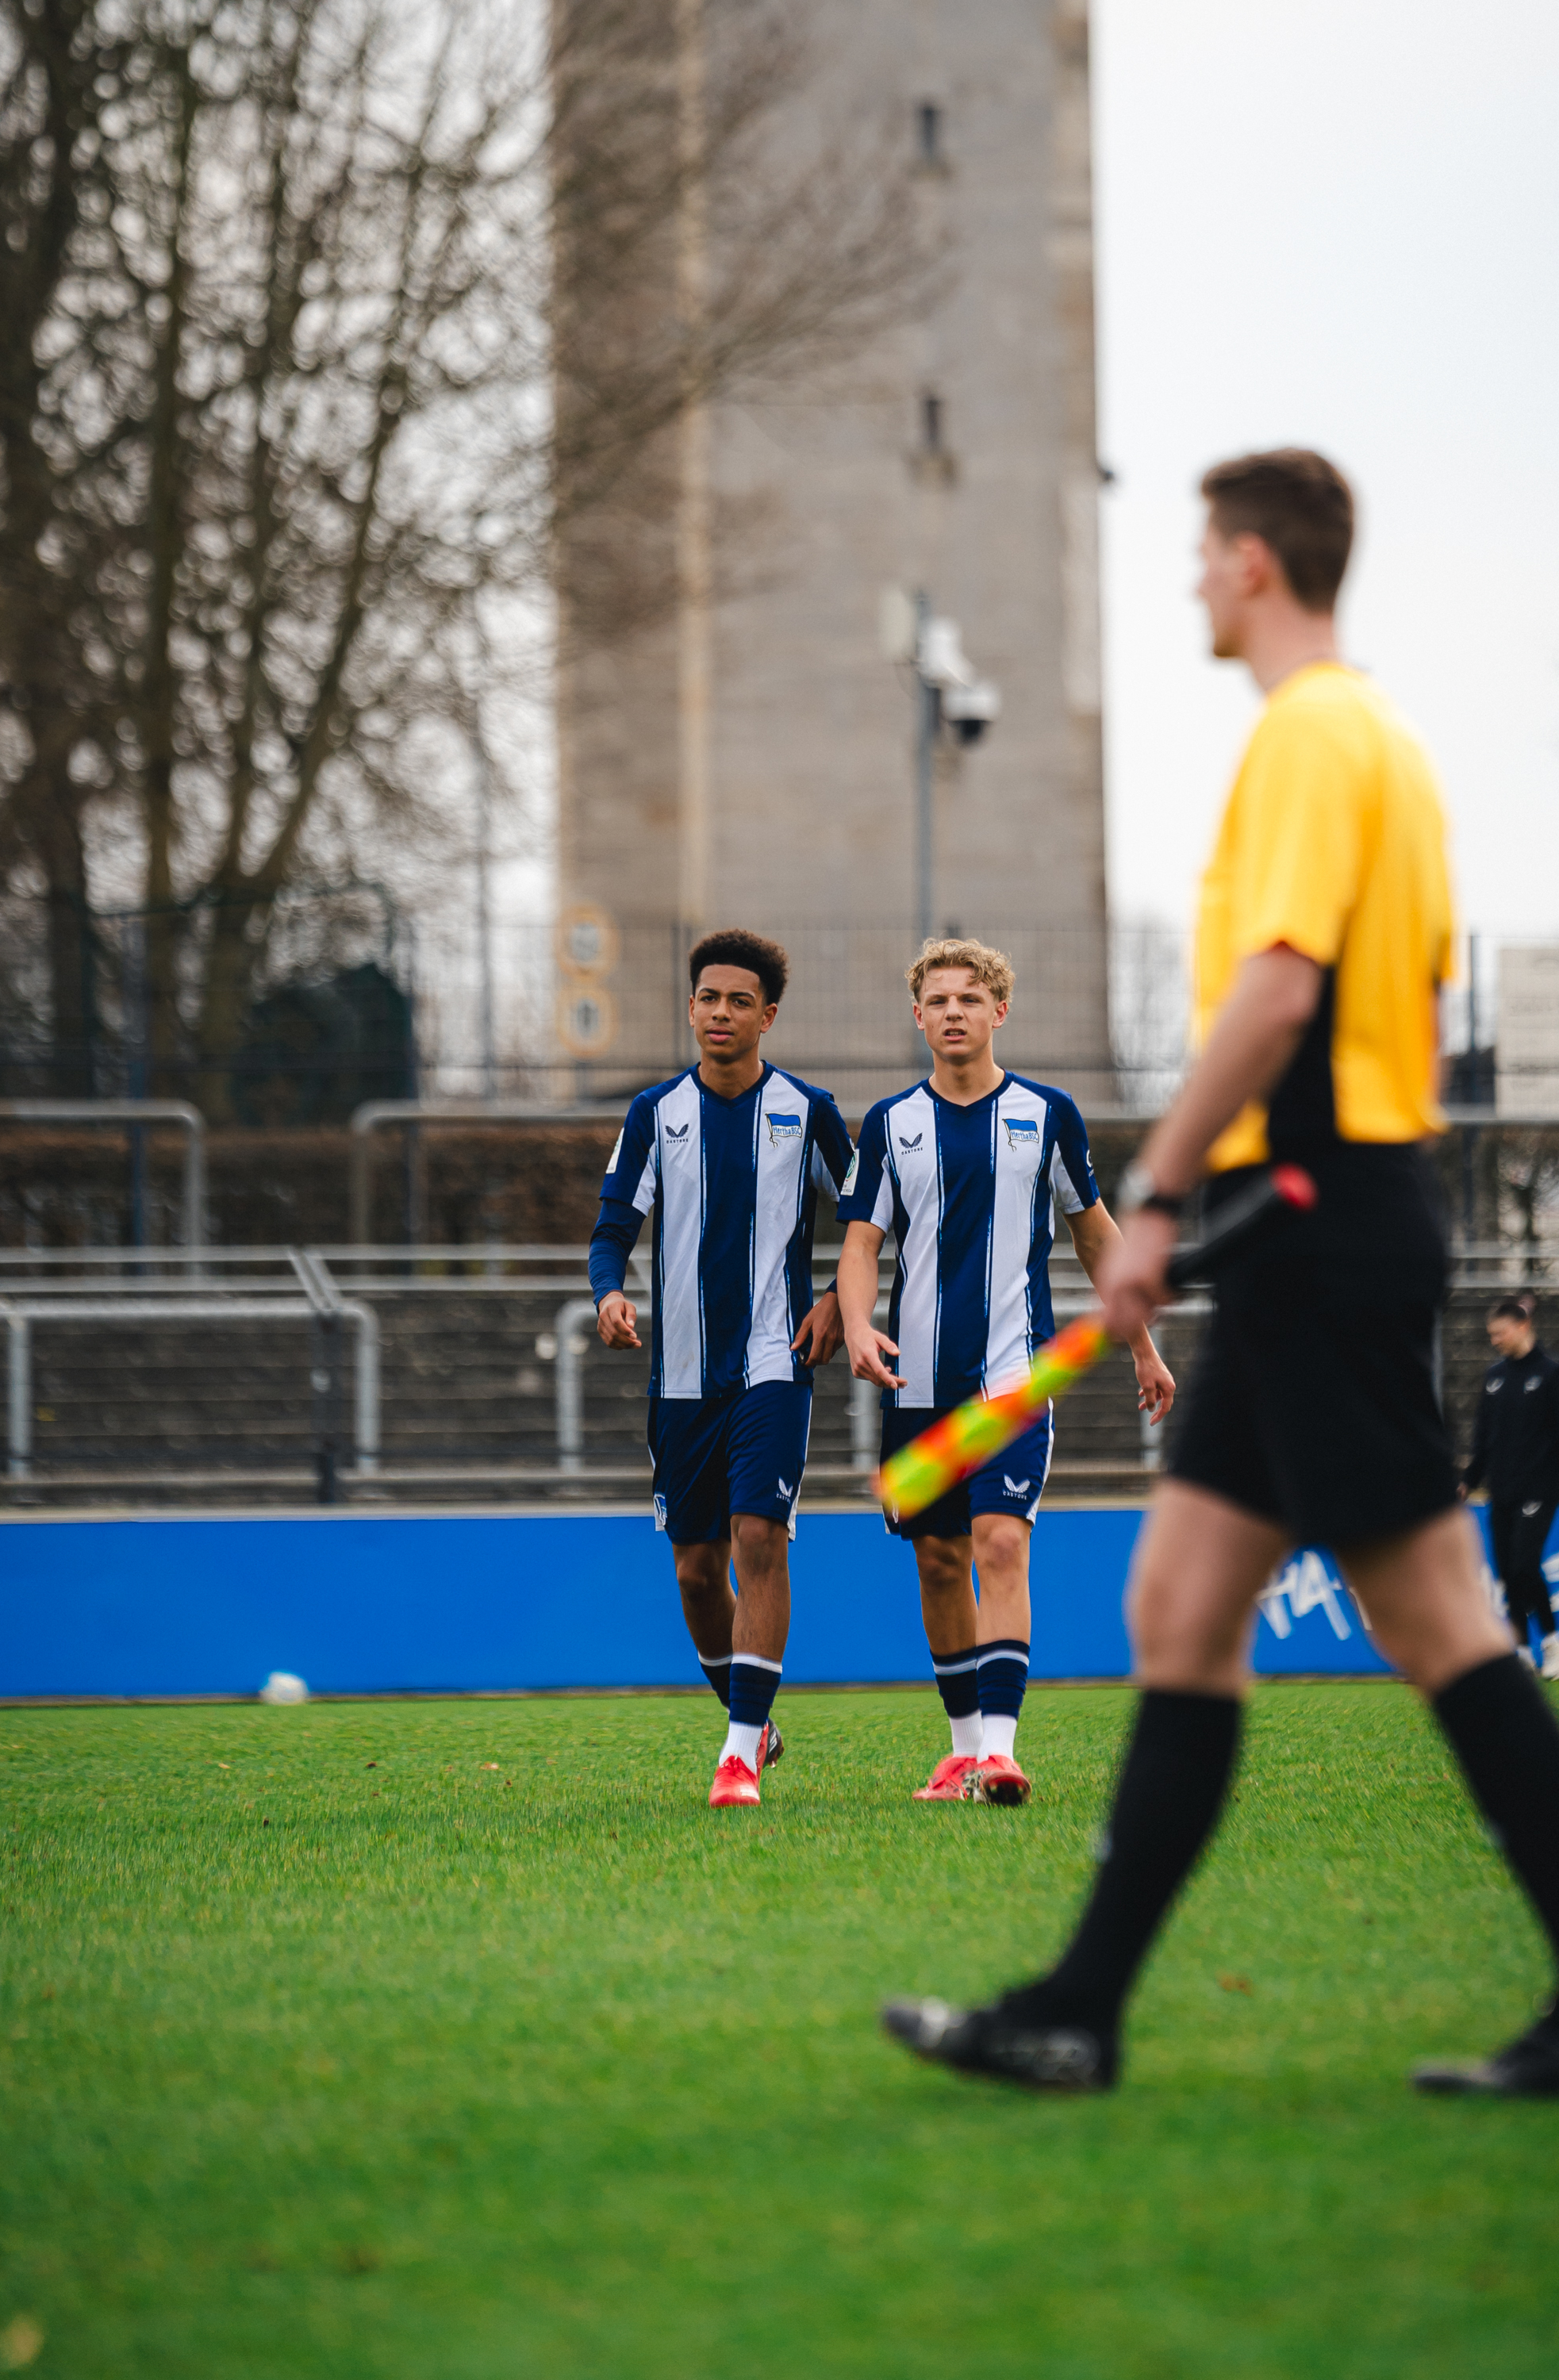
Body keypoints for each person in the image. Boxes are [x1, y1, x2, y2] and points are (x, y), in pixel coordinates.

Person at [883, 447, 1559, 2098]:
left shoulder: (1314, 736)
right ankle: (1077, 2011)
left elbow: (1274, 992)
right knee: (1177, 1610)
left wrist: (1161, 1193)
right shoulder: (1362, 737)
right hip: (1302, 1229)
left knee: (1441, 1626)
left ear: (1255, 562)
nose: (1188, 577)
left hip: (1318, 1222)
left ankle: (1078, 2006)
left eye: (1199, 552)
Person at [837, 937, 1174, 1806]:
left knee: (999, 1544)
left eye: (969, 998)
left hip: (1014, 1380)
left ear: (998, 1011)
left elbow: (1095, 1232)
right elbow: (861, 1245)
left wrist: (1139, 1343)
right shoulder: (888, 1124)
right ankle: (957, 1753)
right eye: (938, 1001)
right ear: (917, 1017)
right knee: (939, 1563)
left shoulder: (1047, 1112)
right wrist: (856, 1325)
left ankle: (999, 1751)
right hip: (915, 1386)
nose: (953, 1012)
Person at [589, 928, 853, 1808]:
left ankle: (737, 1755)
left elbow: (868, 1222)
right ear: (690, 1006)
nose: (721, 1013)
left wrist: (835, 1304)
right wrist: (608, 1294)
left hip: (775, 1365)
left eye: (740, 1001)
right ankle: (754, 1723)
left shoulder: (807, 1110)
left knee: (756, 1540)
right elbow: (610, 1230)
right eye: (709, 998)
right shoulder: (653, 1114)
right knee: (696, 1571)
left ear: (766, 1016)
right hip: (677, 1382)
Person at [1462, 1296, 1559, 1679]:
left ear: (1521, 1327)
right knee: (1507, 1571)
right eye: (1491, 1335)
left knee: (1524, 1564)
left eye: (1499, 1333)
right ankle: (1519, 1650)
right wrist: (1468, 1481)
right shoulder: (1494, 1377)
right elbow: (1483, 1437)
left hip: (1539, 1489)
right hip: (1502, 1490)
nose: (1495, 1341)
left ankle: (1552, 1642)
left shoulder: (1551, 1375)